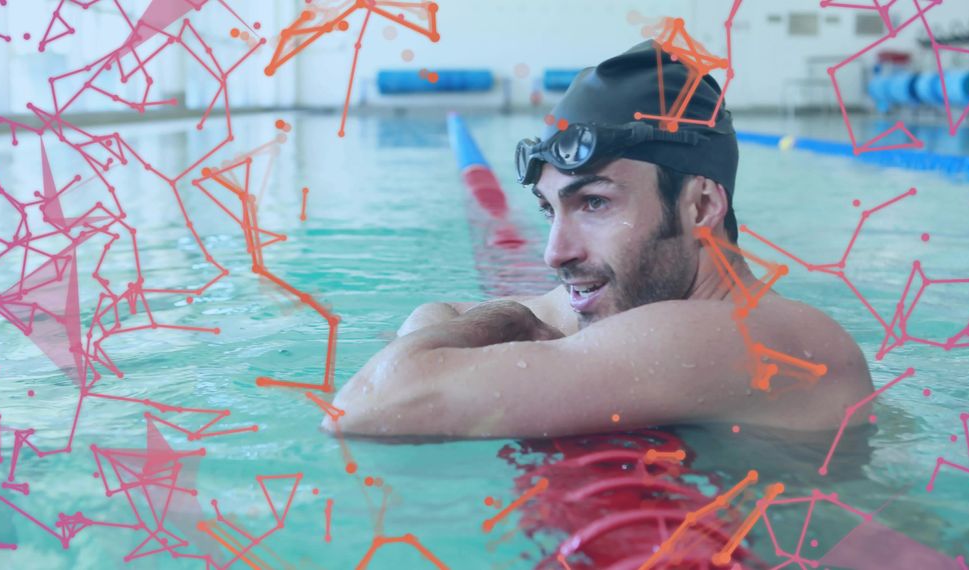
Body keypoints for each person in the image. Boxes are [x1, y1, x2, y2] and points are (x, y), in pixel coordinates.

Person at [323, 40, 874, 438]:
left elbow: (371, 404)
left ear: (702, 205)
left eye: (594, 203)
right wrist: (511, 322)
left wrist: (512, 323)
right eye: (549, 210)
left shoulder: (751, 335)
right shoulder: (645, 302)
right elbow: (435, 311)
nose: (555, 252)